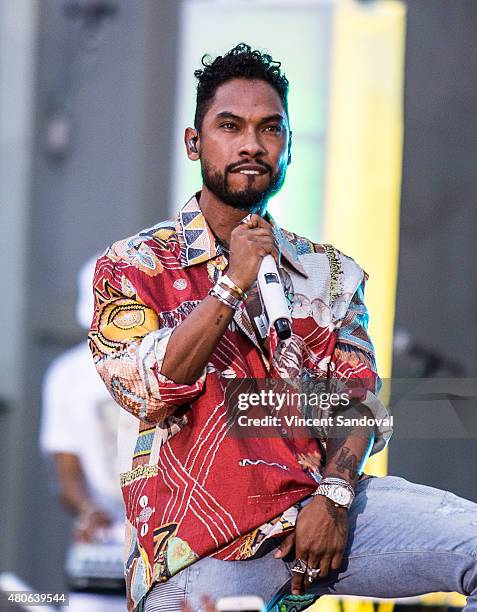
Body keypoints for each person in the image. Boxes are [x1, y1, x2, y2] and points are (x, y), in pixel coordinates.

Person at [88, 43, 477, 612]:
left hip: (320, 516)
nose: (251, 144)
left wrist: (336, 495)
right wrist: (231, 284)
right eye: (230, 126)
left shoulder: (329, 273)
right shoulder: (133, 266)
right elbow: (151, 392)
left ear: (288, 145)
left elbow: (359, 402)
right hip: (204, 549)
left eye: (270, 128)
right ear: (195, 143)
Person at [40, 257, 126, 611]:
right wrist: (86, 509)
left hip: (170, 534)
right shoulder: (67, 374)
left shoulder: (173, 363)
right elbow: (68, 467)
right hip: (104, 542)